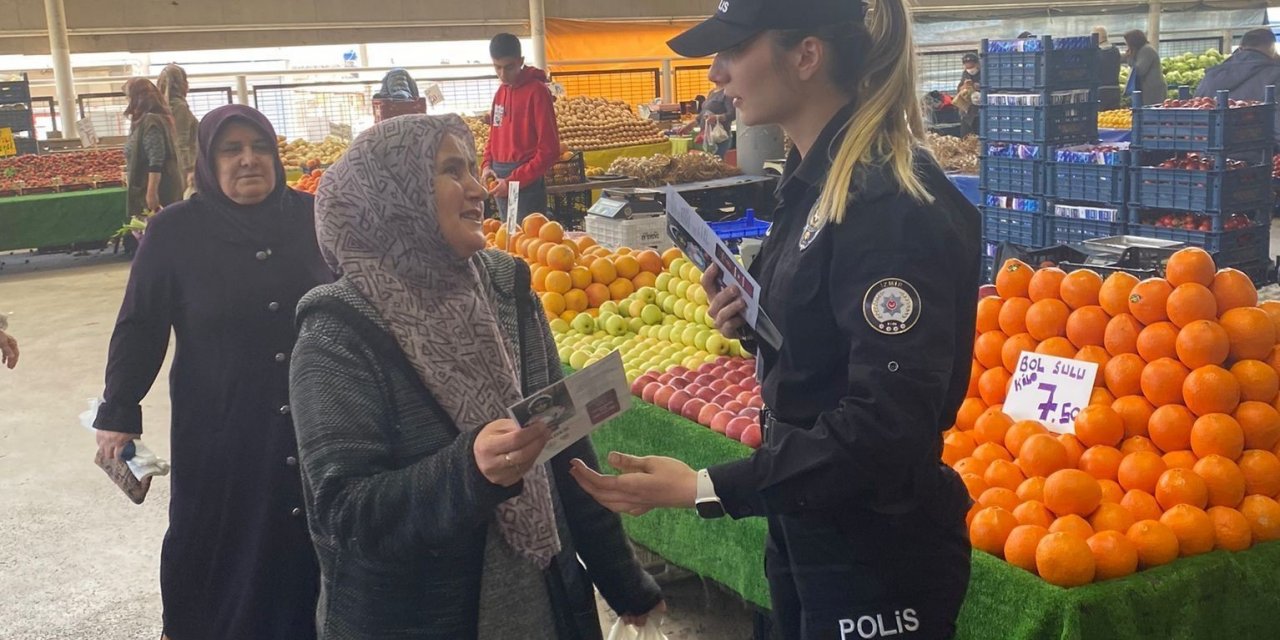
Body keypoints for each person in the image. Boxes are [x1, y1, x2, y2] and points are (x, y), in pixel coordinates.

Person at [571, 0, 980, 639]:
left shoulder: (888, 204)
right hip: (811, 526)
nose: (716, 74)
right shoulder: (811, 181)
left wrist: (705, 485)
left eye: (734, 50)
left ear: (806, 55)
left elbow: (886, 427)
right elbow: (832, 347)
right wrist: (760, 322)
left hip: (877, 555)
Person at [292, 114, 664, 639]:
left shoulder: (505, 286)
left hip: (543, 602)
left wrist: (622, 580)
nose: (478, 189)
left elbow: (564, 441)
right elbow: (344, 513)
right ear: (394, 193)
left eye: (473, 169)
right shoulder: (339, 327)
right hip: (417, 617)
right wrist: (467, 470)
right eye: (451, 171)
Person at [93, 104, 331, 640]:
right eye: (231, 149)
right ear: (206, 159)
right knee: (223, 540)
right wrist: (119, 409)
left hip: (317, 424)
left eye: (261, 147)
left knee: (309, 546)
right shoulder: (176, 230)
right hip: (223, 426)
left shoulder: (316, 215)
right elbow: (140, 323)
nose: (249, 160)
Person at [481, 33, 560, 222]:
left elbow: (550, 150)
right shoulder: (500, 93)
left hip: (527, 182)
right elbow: (494, 134)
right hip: (500, 180)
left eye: (508, 67)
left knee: (528, 243)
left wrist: (514, 182)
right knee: (507, 241)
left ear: (520, 61)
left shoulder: (538, 92)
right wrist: (486, 166)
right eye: (497, 67)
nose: (502, 74)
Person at [1196, 28, 1280, 142]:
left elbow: (1197, 112)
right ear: (1272, 48)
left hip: (1208, 152)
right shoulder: (1275, 75)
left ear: (1241, 47)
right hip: (1258, 151)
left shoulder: (1212, 75)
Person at [122, 78, 184, 220]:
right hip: (145, 186)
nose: (127, 101)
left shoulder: (150, 121)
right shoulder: (142, 121)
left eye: (129, 97)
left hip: (156, 190)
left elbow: (156, 158)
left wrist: (152, 192)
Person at [157, 64, 199, 193]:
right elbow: (181, 142)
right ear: (180, 84)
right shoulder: (179, 107)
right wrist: (190, 170)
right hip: (182, 171)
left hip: (170, 169)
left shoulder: (161, 108)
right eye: (185, 81)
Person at [1124, 30, 1166, 107]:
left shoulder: (1146, 50)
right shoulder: (1141, 50)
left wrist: (1130, 57)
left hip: (1152, 90)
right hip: (1147, 89)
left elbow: (1140, 70)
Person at [701, 87, 737, 157]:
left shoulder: (727, 92)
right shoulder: (712, 92)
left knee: (717, 162)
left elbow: (733, 114)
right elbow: (703, 112)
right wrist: (690, 125)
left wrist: (717, 117)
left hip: (720, 136)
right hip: (708, 135)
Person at [1094, 27, 1123, 110]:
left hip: (1101, 89)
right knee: (1113, 117)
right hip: (1115, 89)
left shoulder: (1096, 52)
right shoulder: (1115, 50)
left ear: (1097, 37)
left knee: (1102, 118)